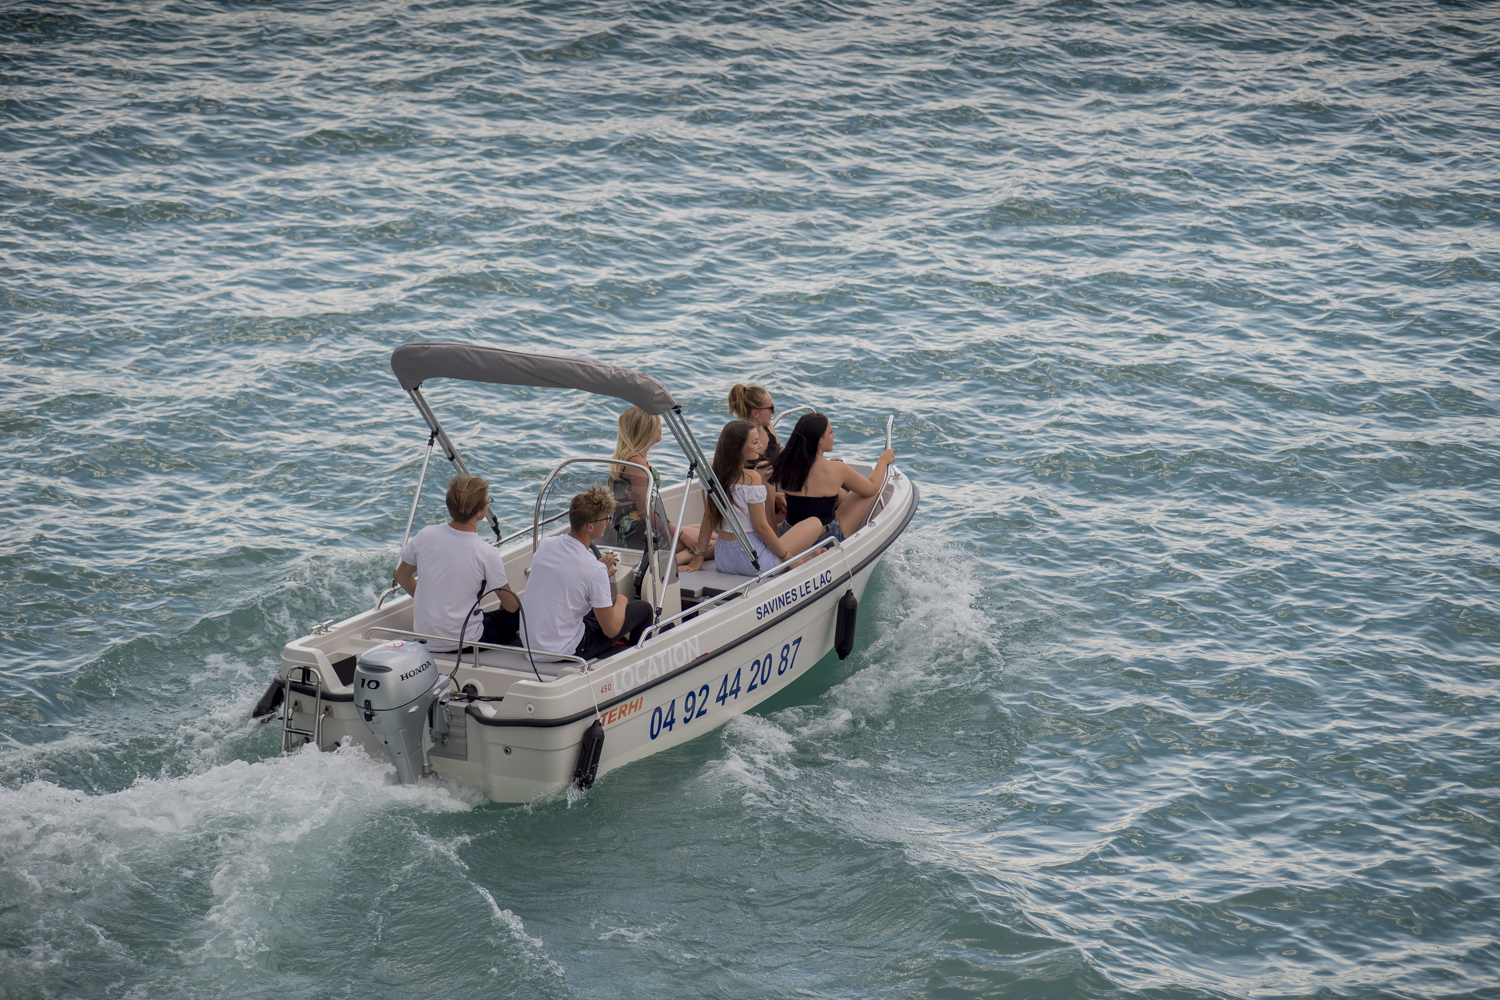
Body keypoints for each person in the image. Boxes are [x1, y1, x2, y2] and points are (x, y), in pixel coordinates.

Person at [521, 484, 653, 661]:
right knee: (644, 609)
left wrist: (597, 574)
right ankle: (634, 665)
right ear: (590, 526)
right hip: (565, 649)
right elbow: (611, 629)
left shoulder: (546, 545)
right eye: (606, 518)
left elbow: (565, 577)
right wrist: (621, 601)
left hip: (532, 646)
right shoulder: (594, 569)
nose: (608, 522)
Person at [683, 420, 827, 577]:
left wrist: (698, 558)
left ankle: (805, 556)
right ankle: (800, 558)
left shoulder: (710, 472)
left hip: (723, 559)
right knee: (815, 523)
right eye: (754, 442)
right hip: (752, 560)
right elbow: (761, 527)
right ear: (738, 447)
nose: (760, 446)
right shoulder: (751, 478)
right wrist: (786, 558)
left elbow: (708, 518)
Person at [393, 475, 519, 652]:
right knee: (515, 613)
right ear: (480, 512)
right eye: (487, 501)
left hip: (425, 638)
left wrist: (429, 601)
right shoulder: (485, 552)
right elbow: (511, 606)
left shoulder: (426, 535)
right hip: (465, 642)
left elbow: (401, 576)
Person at [769, 412, 894, 542]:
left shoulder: (785, 463)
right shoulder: (837, 469)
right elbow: (872, 488)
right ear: (819, 439)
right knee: (863, 491)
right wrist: (883, 461)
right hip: (824, 540)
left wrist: (828, 463)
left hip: (789, 535)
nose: (834, 436)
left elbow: (811, 473)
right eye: (830, 432)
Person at [611, 406, 711, 567]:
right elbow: (645, 513)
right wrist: (682, 535)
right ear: (647, 429)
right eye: (658, 423)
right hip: (643, 537)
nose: (661, 426)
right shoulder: (637, 462)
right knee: (716, 543)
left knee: (707, 531)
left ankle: (677, 556)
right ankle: (672, 562)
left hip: (639, 531)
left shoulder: (630, 458)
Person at [727, 383, 781, 467]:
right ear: (755, 413)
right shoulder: (740, 439)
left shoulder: (767, 426)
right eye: (770, 407)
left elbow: (780, 449)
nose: (774, 411)